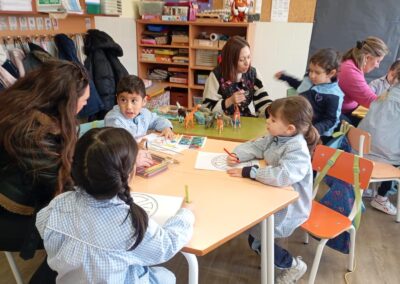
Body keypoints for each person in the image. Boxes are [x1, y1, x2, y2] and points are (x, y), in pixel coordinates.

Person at [36, 127, 195, 283]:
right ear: (130, 173)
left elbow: (42, 225)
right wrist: (185, 214)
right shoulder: (130, 224)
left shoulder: (58, 204)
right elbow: (166, 246)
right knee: (167, 276)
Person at [0, 60, 90, 282]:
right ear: (66, 102)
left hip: (17, 199)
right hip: (7, 219)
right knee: (83, 230)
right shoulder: (34, 135)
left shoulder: (21, 111)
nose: (86, 105)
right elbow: (68, 185)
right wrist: (115, 164)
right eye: (84, 101)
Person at [226, 96, 319, 283]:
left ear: (290, 128)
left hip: (289, 209)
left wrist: (250, 172)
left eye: (273, 119)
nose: (267, 121)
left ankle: (293, 265)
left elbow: (282, 176)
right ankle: (269, 253)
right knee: (255, 236)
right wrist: (238, 154)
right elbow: (257, 146)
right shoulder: (277, 136)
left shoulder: (297, 149)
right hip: (272, 198)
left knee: (258, 238)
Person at [275, 48, 343, 143]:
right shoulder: (312, 80)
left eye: (317, 72)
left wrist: (316, 129)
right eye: (310, 71)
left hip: (318, 135)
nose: (312, 75)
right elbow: (301, 87)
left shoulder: (333, 95)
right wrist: (285, 77)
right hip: (301, 125)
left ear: (331, 73)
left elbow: (331, 119)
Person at [358, 67, 400, 216]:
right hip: (384, 154)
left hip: (363, 148)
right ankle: (382, 196)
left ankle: (365, 187)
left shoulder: (386, 93)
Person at [202, 36, 272, 118]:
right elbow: (207, 108)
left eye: (248, 57)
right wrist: (229, 101)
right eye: (241, 60)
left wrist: (271, 109)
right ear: (230, 61)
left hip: (245, 120)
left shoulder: (253, 73)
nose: (247, 63)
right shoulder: (216, 75)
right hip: (222, 121)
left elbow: (262, 102)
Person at [338, 36, 389, 126]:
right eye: (378, 61)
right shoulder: (350, 71)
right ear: (367, 58)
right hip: (340, 114)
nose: (378, 66)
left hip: (348, 110)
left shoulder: (351, 64)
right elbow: (372, 101)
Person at [105, 75, 174, 140]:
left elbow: (157, 120)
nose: (128, 107)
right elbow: (122, 144)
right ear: (117, 100)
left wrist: (166, 128)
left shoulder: (144, 113)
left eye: (133, 101)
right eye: (123, 100)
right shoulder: (114, 120)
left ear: (144, 101)